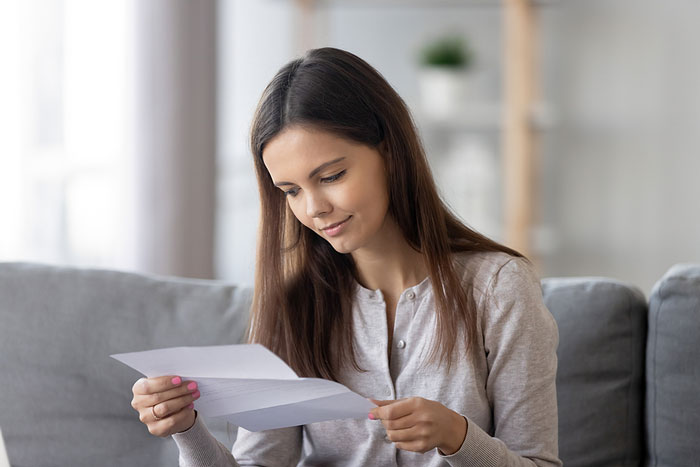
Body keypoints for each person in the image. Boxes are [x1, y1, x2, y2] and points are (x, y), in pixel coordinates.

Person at [129, 47, 561, 466]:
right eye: (292, 191)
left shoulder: (499, 287)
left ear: (390, 152)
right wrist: (187, 431)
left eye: (331, 176)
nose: (313, 208)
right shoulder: (295, 304)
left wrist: (458, 437)